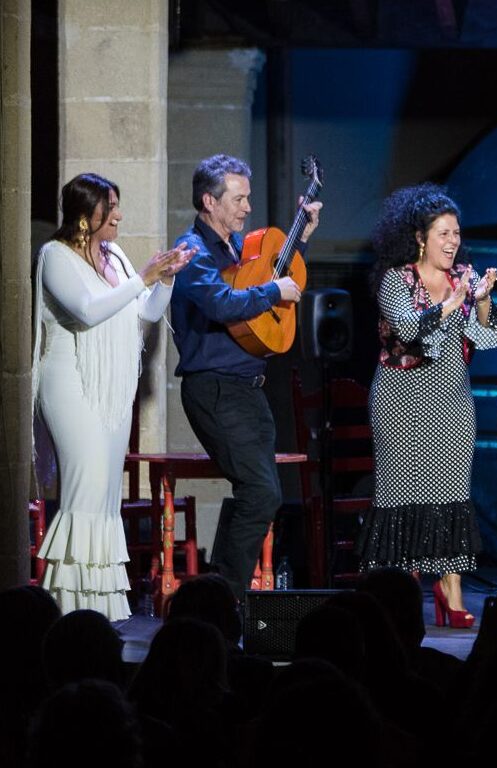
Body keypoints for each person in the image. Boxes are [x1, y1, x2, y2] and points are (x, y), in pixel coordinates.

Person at [34, 173, 193, 620]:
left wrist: (164, 279)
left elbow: (144, 311)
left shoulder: (115, 256)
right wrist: (142, 278)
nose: (119, 216)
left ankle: (103, 611)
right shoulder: (55, 257)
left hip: (110, 389)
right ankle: (68, 609)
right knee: (84, 491)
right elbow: (86, 310)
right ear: (87, 217)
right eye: (112, 209)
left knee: (105, 498)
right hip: (70, 384)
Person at [171, 153, 322, 600]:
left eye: (249, 198)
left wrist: (301, 241)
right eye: (238, 199)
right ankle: (222, 598)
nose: (247, 208)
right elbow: (221, 303)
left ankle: (217, 594)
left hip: (248, 389)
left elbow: (274, 275)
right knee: (260, 493)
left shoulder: (239, 249)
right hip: (214, 388)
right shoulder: (192, 253)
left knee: (257, 493)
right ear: (208, 201)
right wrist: (273, 291)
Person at [356, 183, 497, 628]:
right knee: (402, 493)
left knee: (450, 494)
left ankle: (451, 587)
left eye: (456, 233)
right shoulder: (396, 279)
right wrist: (449, 306)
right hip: (400, 398)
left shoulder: (464, 277)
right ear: (420, 237)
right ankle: (399, 590)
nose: (452, 241)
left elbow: (489, 336)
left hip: (452, 400)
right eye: (443, 233)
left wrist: (479, 303)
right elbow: (406, 329)